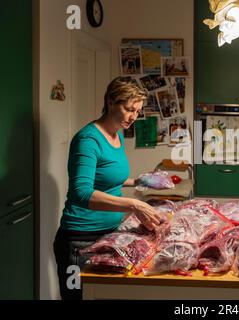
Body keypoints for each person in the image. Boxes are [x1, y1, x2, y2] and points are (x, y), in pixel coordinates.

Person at [53, 76, 162, 300]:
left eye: (138, 111)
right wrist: (133, 204)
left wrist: (139, 182)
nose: (134, 117)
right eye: (129, 109)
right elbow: (81, 192)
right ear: (111, 101)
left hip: (108, 235)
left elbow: (105, 178)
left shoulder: (117, 134)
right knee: (77, 297)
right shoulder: (88, 140)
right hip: (79, 242)